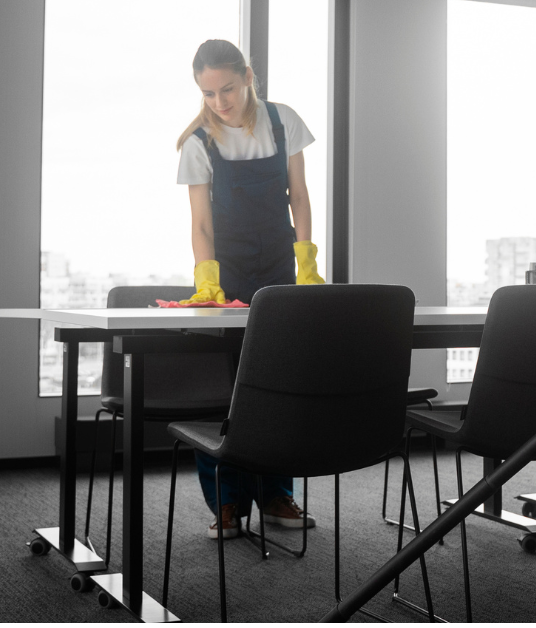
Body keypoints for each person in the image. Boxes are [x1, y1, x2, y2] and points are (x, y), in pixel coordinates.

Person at [176, 39, 323, 539]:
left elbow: (299, 196)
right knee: (228, 389)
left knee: (278, 382)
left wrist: (306, 264)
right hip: (227, 274)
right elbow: (201, 224)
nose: (220, 101)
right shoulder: (198, 142)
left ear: (248, 78)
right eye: (208, 93)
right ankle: (227, 503)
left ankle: (277, 495)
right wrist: (207, 281)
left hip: (281, 265)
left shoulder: (283, 122)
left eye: (228, 89)